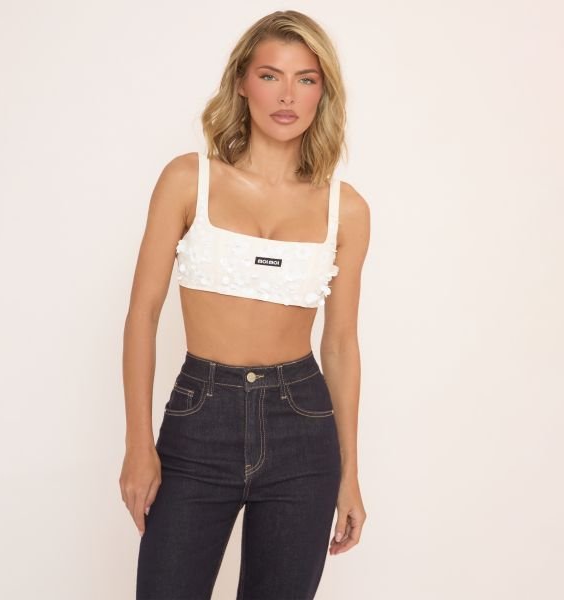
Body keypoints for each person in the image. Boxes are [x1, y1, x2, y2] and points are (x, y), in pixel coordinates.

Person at [120, 9, 371, 600]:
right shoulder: (188, 180)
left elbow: (339, 343)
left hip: (302, 427)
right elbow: (143, 315)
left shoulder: (347, 209)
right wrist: (137, 444)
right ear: (241, 83)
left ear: (323, 92)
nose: (287, 96)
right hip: (199, 419)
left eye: (306, 79)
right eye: (270, 75)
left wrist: (350, 473)